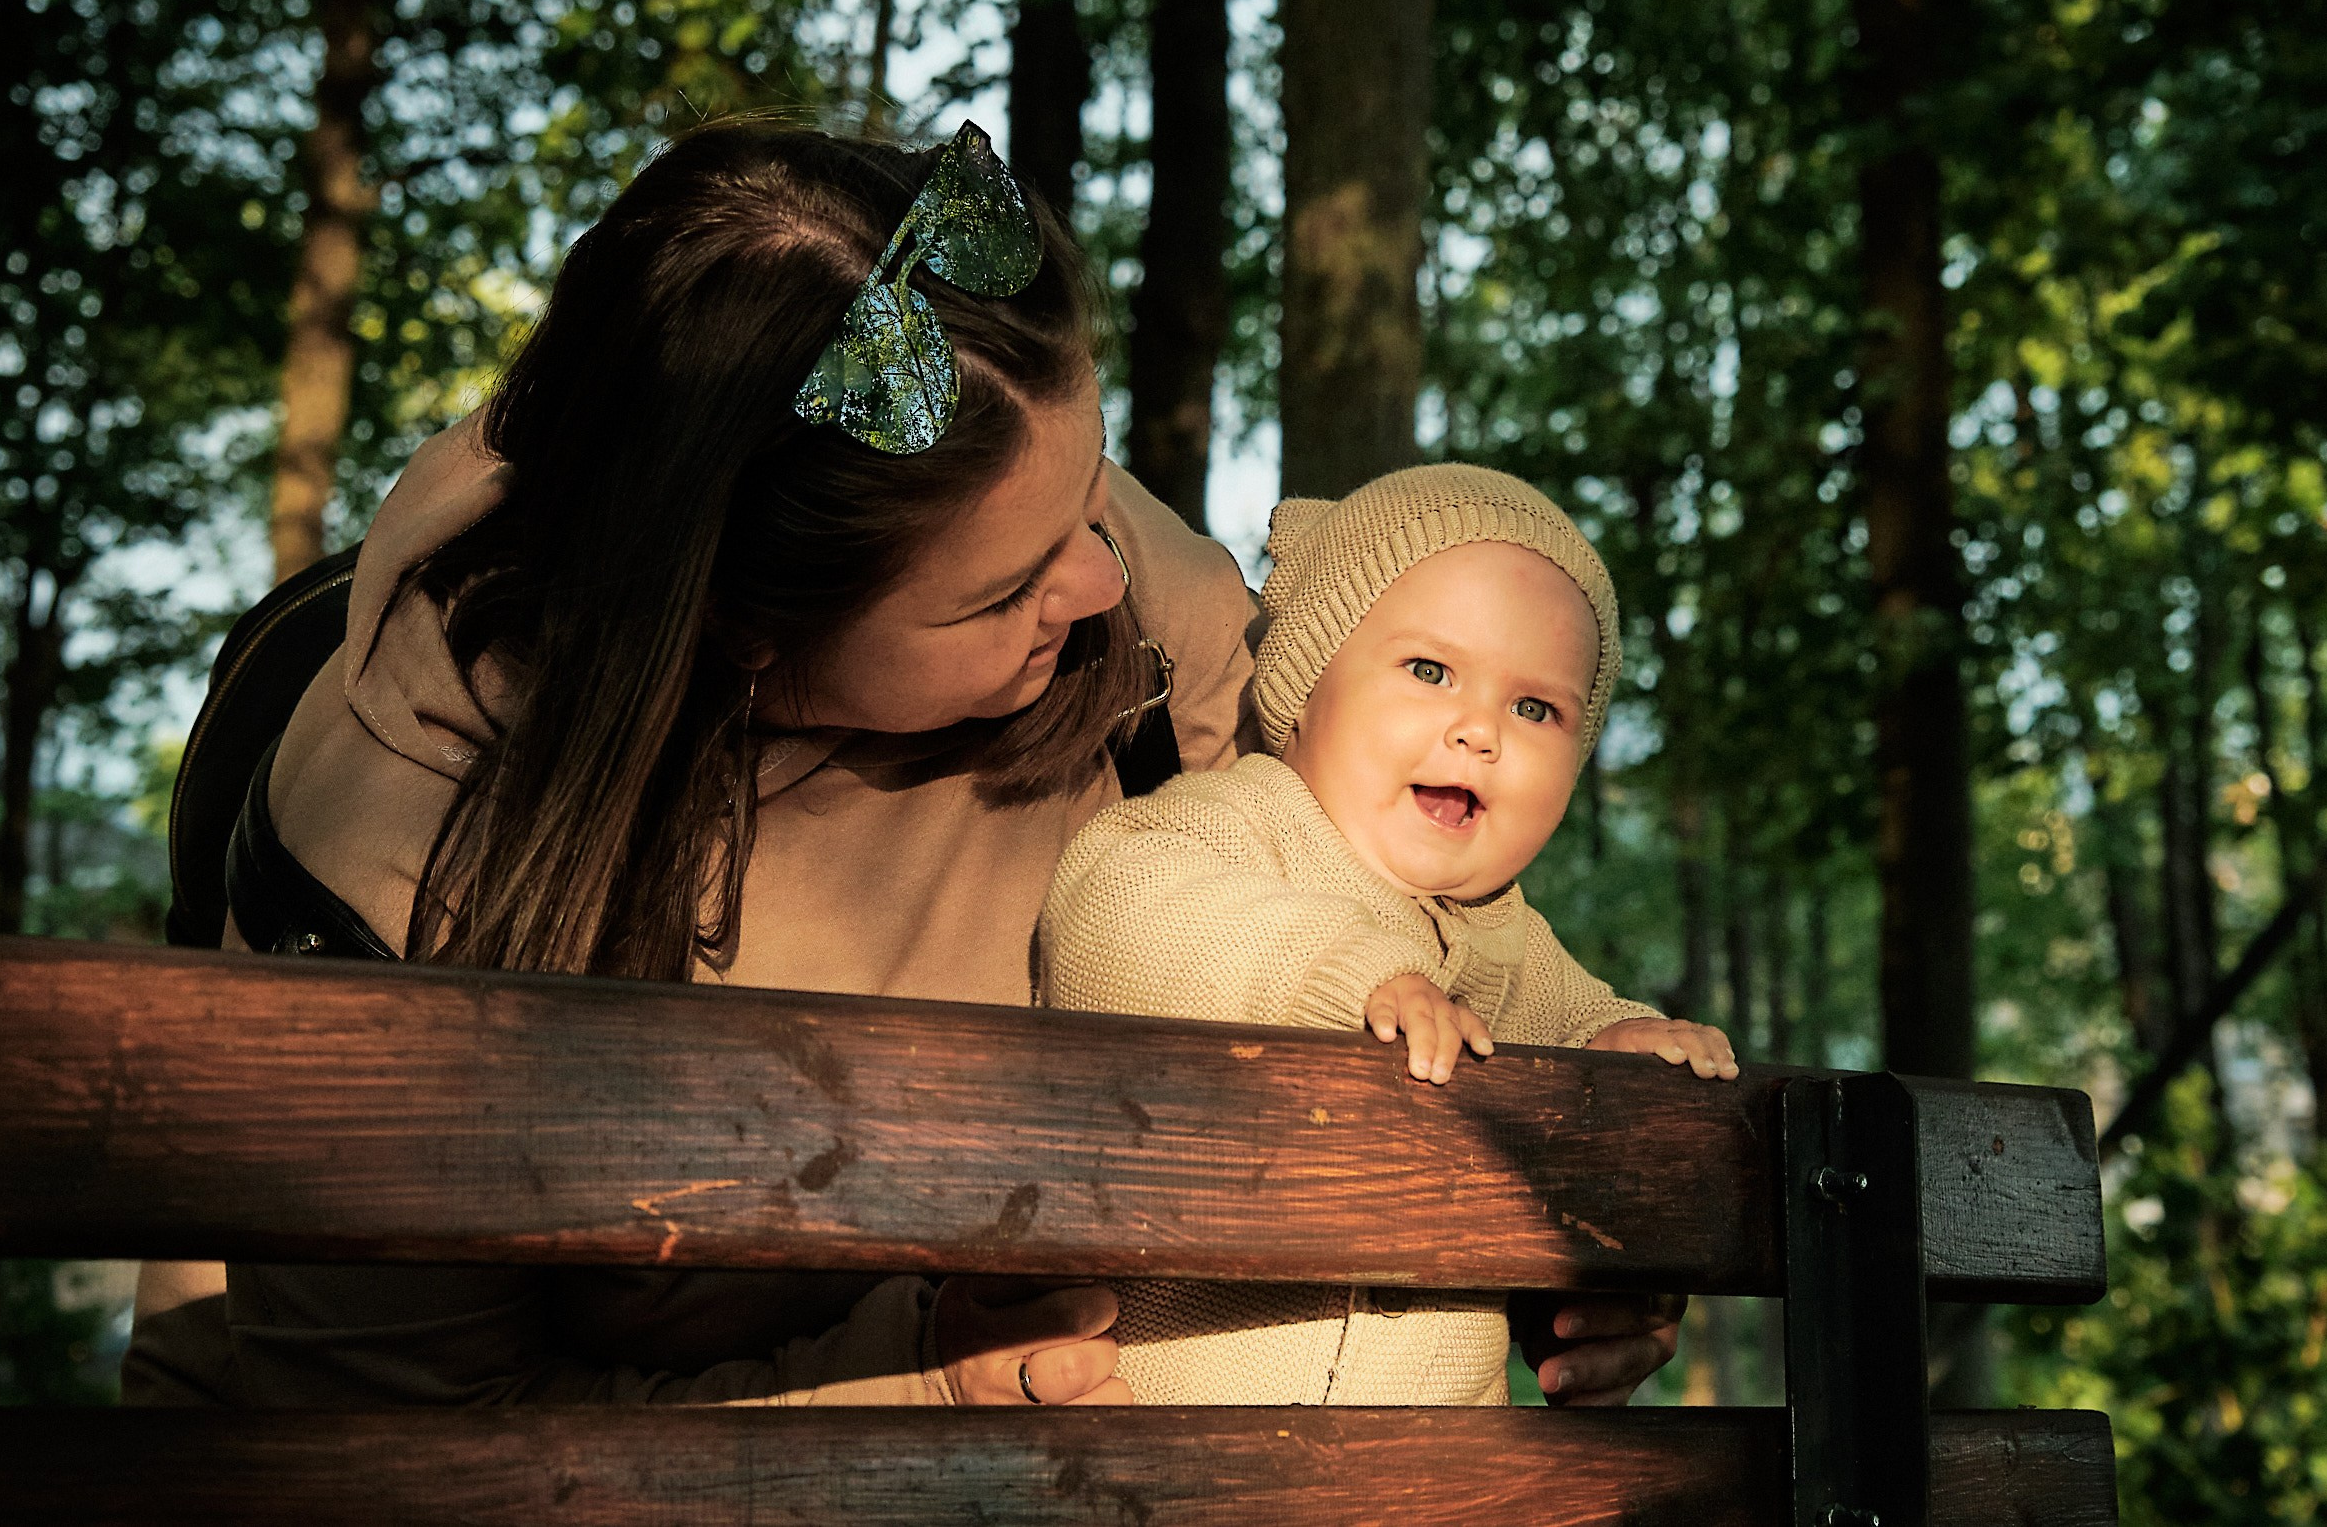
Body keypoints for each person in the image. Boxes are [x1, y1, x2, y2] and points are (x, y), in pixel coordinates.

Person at [122, 120, 1682, 1410]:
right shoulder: (398, 845)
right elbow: (410, 1455)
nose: (1097, 583)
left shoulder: (1110, 571)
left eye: (1097, 498)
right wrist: (914, 1384)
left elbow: (1395, 916)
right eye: (1003, 592)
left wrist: (1549, 1232)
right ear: (749, 633)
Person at [1038, 464, 1737, 1406]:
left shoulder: (1512, 942)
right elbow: (1113, 906)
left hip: (1427, 1472)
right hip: (1179, 1443)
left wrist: (1629, 1057)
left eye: (1536, 708)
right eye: (1430, 670)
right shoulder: (1247, 827)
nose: (1480, 730)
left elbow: (1582, 1018)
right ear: (1305, 686)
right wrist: (1348, 973)